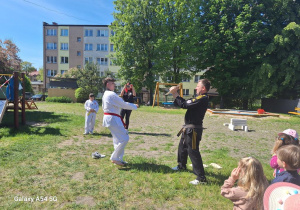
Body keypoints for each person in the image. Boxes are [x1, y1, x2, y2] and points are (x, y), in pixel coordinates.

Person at [169, 79, 210, 185]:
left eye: (198, 86)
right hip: (188, 128)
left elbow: (185, 105)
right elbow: (183, 103)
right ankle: (181, 166)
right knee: (182, 147)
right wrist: (175, 94)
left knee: (193, 151)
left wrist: (175, 93)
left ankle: (201, 178)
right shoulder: (197, 98)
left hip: (194, 130)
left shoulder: (202, 98)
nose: (196, 88)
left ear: (203, 88)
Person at [102, 77, 139, 166]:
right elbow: (123, 104)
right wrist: (134, 106)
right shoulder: (111, 94)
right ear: (108, 84)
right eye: (112, 83)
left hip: (110, 118)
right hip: (113, 118)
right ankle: (114, 158)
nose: (114, 85)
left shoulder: (106, 94)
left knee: (117, 139)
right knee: (124, 138)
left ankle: (119, 159)